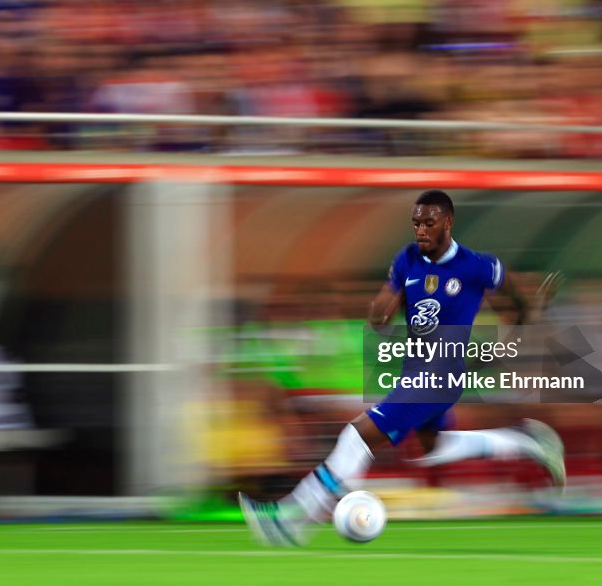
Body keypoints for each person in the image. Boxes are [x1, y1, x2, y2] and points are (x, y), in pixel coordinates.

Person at [240, 189, 566, 546]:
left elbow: (518, 300)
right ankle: (525, 442)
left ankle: (291, 519)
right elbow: (382, 310)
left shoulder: (476, 265)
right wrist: (380, 311)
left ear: (448, 222)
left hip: (439, 376)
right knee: (432, 448)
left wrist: (516, 327)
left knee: (357, 437)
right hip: (415, 371)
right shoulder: (407, 259)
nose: (421, 230)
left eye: (429, 223)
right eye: (416, 223)